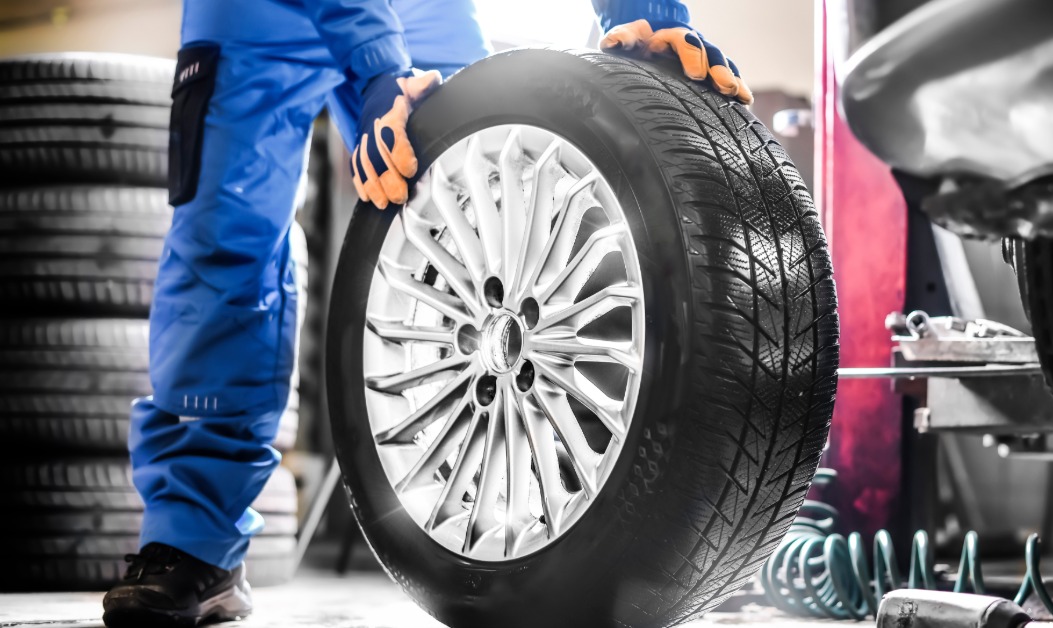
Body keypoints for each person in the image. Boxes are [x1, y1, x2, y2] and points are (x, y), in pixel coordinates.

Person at [100, 1, 751, 626]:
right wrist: (379, 64)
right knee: (223, 245)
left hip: (419, 6)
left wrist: (649, 17)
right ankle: (193, 541)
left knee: (481, 201)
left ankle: (522, 509)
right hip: (251, 14)